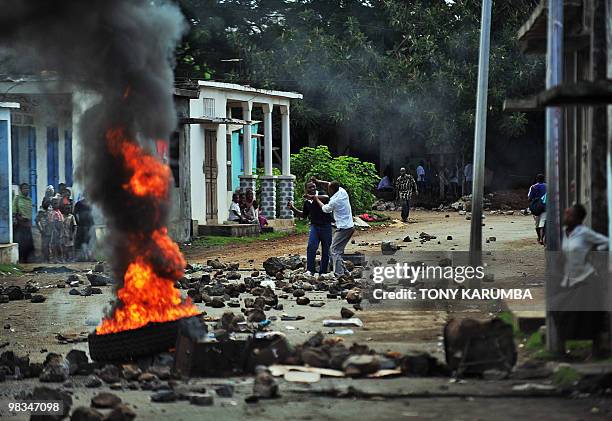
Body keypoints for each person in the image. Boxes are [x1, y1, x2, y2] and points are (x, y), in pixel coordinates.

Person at [551, 204, 609, 356]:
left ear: (577, 218)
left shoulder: (584, 233)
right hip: (569, 279)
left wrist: (594, 255)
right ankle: (562, 350)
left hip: (587, 278)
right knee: (559, 310)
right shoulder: (565, 232)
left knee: (591, 316)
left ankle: (595, 350)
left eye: (569, 215)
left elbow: (605, 242)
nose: (566, 217)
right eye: (566, 214)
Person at [309, 178, 355, 276]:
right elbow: (328, 183)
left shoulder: (335, 200)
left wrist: (316, 199)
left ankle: (339, 274)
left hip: (343, 228)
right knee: (337, 250)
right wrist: (318, 181)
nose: (327, 189)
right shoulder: (342, 191)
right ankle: (344, 272)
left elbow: (326, 209)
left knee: (334, 250)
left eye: (328, 188)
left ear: (331, 190)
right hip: (349, 226)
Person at [288, 181, 333, 276]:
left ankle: (323, 272)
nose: (312, 189)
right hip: (315, 226)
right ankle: (310, 270)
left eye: (314, 187)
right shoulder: (307, 202)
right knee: (311, 247)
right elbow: (304, 215)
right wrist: (292, 208)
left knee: (325, 249)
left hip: (326, 226)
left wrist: (314, 198)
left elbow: (327, 198)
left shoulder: (320, 195)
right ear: (306, 189)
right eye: (310, 187)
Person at [12, 183, 34, 263]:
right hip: (20, 224)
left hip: (27, 224)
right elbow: (14, 211)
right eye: (24, 188)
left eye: (27, 188)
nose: (26, 190)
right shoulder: (17, 199)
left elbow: (30, 212)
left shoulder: (30, 199)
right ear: (21, 190)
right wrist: (16, 218)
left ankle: (27, 259)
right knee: (20, 242)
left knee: (28, 243)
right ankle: (20, 259)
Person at [74, 194, 95, 261]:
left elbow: (92, 213)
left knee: (89, 241)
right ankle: (84, 257)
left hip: (90, 225)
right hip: (82, 225)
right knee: (83, 241)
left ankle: (89, 256)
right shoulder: (79, 204)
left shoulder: (91, 203)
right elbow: (75, 213)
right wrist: (78, 222)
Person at [527, 174, 547, 245]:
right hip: (545, 206)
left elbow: (529, 198)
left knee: (537, 224)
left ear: (537, 179)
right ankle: (542, 238)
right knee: (543, 223)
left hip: (536, 207)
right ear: (544, 179)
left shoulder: (533, 187)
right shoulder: (547, 186)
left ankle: (539, 238)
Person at [48, 197, 64, 263]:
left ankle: (60, 258)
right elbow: (52, 223)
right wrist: (55, 231)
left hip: (59, 230)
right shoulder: (52, 212)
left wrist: (61, 231)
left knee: (59, 245)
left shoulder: (59, 212)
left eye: (57, 203)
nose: (56, 205)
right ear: (51, 204)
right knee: (53, 245)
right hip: (54, 231)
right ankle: (54, 259)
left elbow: (61, 222)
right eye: (54, 203)